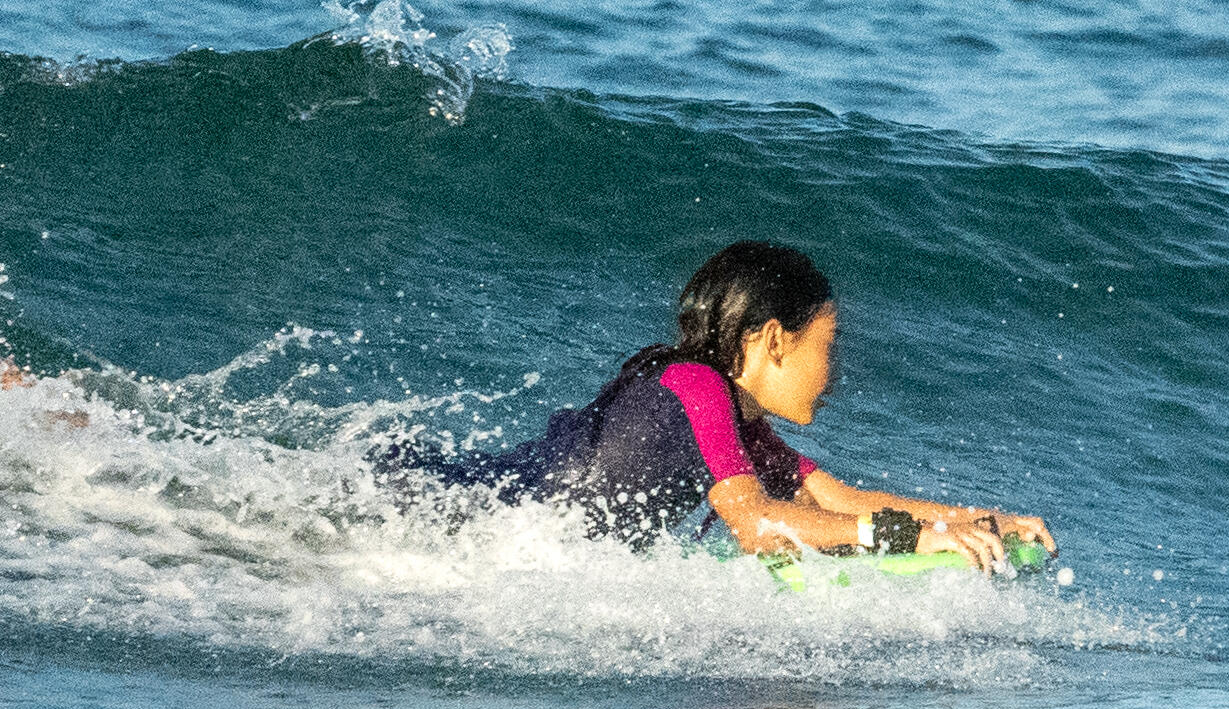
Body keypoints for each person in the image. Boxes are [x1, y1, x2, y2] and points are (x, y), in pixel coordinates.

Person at [447, 240, 1050, 566]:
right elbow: (757, 523)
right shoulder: (697, 387)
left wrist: (978, 522)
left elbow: (840, 501)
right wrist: (906, 538)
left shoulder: (733, 421)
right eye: (827, 346)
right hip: (441, 511)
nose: (834, 372)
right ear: (773, 340)